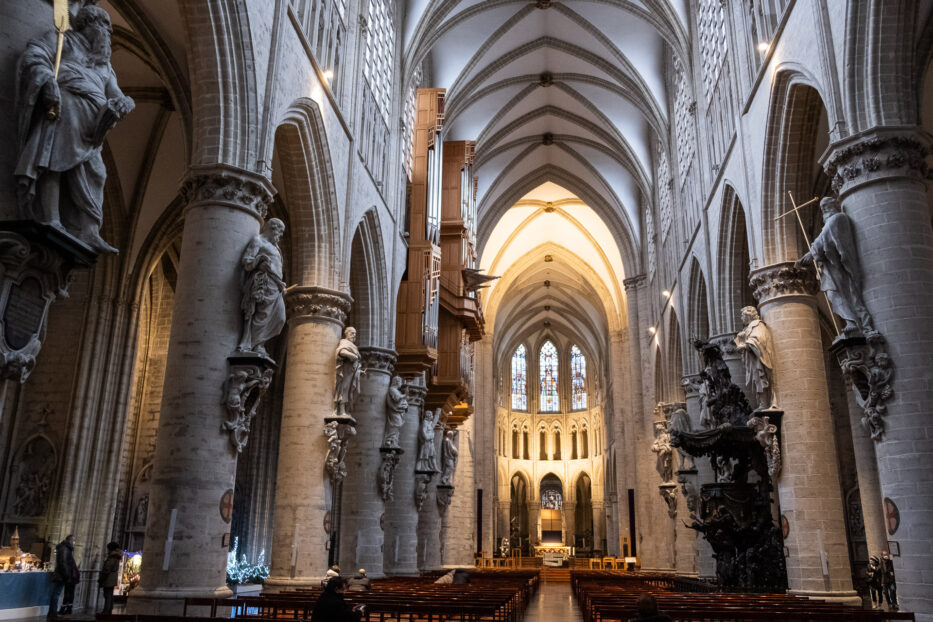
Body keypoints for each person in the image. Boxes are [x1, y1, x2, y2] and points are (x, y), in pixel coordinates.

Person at [15, 4, 134, 254]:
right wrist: (47, 81)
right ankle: (50, 218)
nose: (107, 33)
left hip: (93, 126)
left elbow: (116, 93)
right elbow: (34, 55)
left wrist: (125, 102)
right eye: (104, 26)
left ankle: (88, 231)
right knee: (53, 162)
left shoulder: (105, 66)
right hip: (64, 109)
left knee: (97, 173)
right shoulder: (63, 41)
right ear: (87, 24)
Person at [796, 197, 876, 338]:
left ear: (834, 205)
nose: (824, 209)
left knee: (844, 293)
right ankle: (852, 322)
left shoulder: (837, 218)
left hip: (839, 266)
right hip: (832, 266)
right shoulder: (831, 222)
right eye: (822, 208)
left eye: (826, 206)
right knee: (835, 294)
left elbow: (823, 238)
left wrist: (811, 254)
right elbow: (823, 238)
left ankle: (856, 322)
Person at [237, 218, 286, 356]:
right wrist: (259, 261)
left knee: (280, 318)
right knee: (261, 314)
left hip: (276, 286)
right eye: (280, 231)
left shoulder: (276, 247)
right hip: (264, 283)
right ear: (272, 228)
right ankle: (253, 344)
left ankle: (259, 343)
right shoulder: (258, 241)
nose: (281, 235)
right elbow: (247, 261)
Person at [733, 306, 776, 410]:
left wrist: (745, 344)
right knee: (757, 381)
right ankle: (762, 402)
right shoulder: (748, 328)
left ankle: (764, 403)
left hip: (757, 360)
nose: (741, 318)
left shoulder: (757, 325)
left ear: (749, 315)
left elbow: (759, 339)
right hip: (753, 360)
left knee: (760, 380)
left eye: (743, 315)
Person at [333, 327, 362, 418]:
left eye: (355, 334)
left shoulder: (354, 346)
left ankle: (346, 409)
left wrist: (359, 370)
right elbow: (341, 351)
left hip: (352, 372)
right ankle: (341, 410)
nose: (354, 335)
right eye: (352, 333)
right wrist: (351, 355)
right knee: (344, 389)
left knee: (351, 391)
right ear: (346, 333)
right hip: (345, 371)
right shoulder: (344, 342)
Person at [49, 535, 79, 617]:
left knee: (56, 593)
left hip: (62, 575)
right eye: (73, 540)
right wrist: (67, 576)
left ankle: (52, 612)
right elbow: (63, 563)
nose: (74, 542)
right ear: (70, 540)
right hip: (61, 575)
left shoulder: (65, 548)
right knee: (56, 593)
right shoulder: (64, 549)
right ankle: (53, 613)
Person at [98, 542, 121, 614]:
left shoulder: (112, 557)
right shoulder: (116, 556)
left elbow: (107, 568)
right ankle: (109, 609)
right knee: (110, 595)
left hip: (109, 578)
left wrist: (101, 578)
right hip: (112, 578)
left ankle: (106, 611)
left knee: (107, 595)